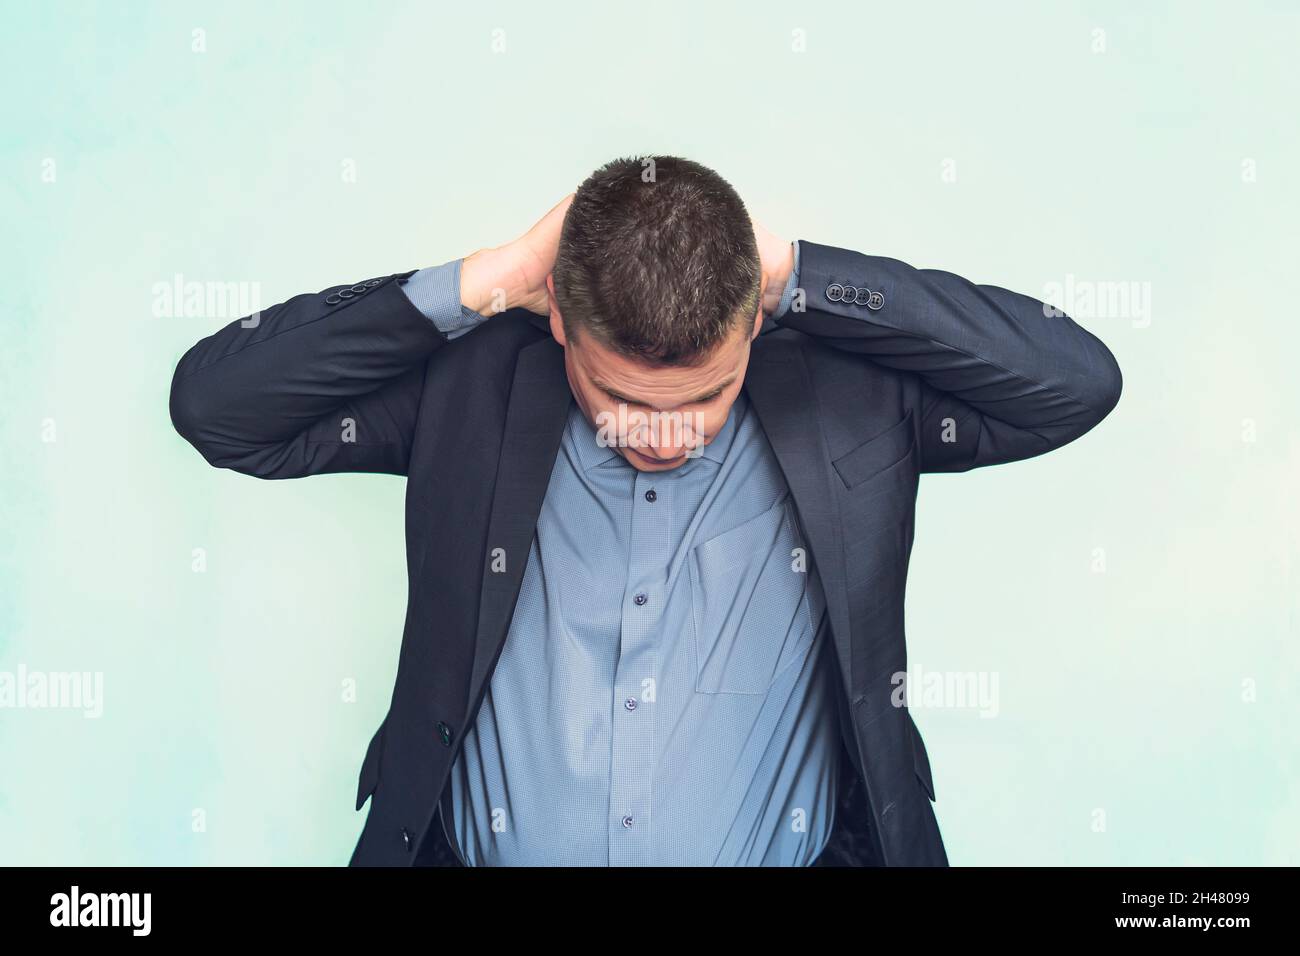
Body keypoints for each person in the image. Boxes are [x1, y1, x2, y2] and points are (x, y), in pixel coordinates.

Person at [169, 155, 1122, 866]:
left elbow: (1074, 383)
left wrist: (797, 272)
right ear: (557, 323)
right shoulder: (476, 384)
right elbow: (221, 410)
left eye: (702, 399)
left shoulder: (853, 397)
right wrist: (480, 278)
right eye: (617, 395)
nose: (662, 434)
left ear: (751, 325)